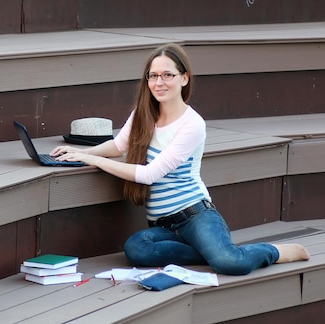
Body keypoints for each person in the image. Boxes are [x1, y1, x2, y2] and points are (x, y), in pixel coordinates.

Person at [50, 43, 309, 275]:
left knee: (231, 264)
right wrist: (82, 154)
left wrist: (95, 161)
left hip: (196, 216)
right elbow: (118, 145)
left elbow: (150, 174)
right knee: (137, 250)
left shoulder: (192, 124)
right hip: (163, 226)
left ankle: (274, 252)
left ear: (184, 78)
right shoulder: (143, 114)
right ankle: (213, 252)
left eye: (167, 75)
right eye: (153, 76)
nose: (158, 82)